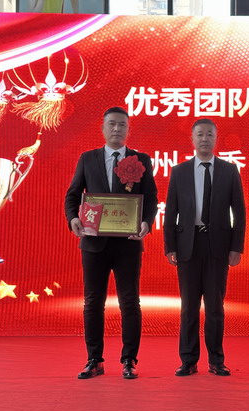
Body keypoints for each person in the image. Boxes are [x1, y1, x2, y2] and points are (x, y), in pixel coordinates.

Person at [65, 106, 158, 379]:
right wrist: (73, 218)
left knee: (129, 302)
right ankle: (94, 359)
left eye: (122, 125)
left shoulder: (141, 159)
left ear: (129, 129)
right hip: (94, 243)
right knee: (93, 302)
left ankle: (129, 360)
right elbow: (73, 195)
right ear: (103, 128)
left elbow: (150, 197)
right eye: (112, 124)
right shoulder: (88, 158)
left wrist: (146, 222)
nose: (117, 129)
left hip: (128, 243)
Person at [164, 119, 246, 377]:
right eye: (200, 134)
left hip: (218, 245)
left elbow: (239, 211)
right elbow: (171, 212)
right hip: (188, 245)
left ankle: (216, 360)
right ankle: (188, 360)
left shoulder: (229, 170)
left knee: (215, 307)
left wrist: (236, 247)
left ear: (216, 139)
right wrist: (170, 246)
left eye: (209, 134)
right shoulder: (179, 172)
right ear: (192, 139)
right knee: (189, 307)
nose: (204, 139)